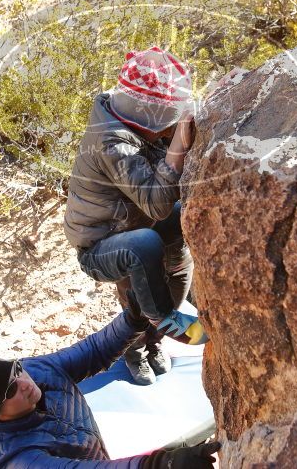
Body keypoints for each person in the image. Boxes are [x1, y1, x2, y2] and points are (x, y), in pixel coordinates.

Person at [63, 46, 206, 385]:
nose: (172, 126)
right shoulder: (111, 141)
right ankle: (140, 342)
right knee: (142, 260)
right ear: (145, 116)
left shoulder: (138, 121)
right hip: (103, 245)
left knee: (175, 252)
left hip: (136, 221)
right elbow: (156, 203)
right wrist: (177, 148)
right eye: (167, 120)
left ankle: (156, 341)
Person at [0, 300, 221, 468]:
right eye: (11, 389)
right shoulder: (20, 459)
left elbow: (92, 352)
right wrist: (163, 464)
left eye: (16, 370)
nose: (24, 382)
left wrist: (133, 319)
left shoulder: (34, 371)